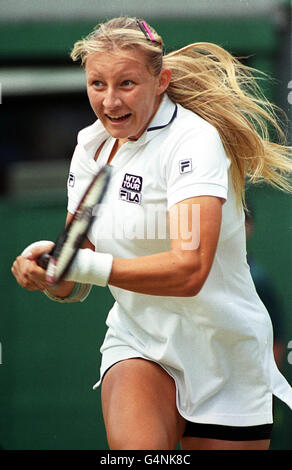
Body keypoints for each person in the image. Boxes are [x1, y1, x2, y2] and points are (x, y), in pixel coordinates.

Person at [11, 17, 292, 450]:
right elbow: (74, 279)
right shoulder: (90, 148)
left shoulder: (194, 143)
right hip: (139, 342)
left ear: (162, 81)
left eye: (126, 83)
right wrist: (47, 268)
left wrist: (79, 264)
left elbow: (189, 271)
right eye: (96, 84)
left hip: (226, 354)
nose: (109, 100)